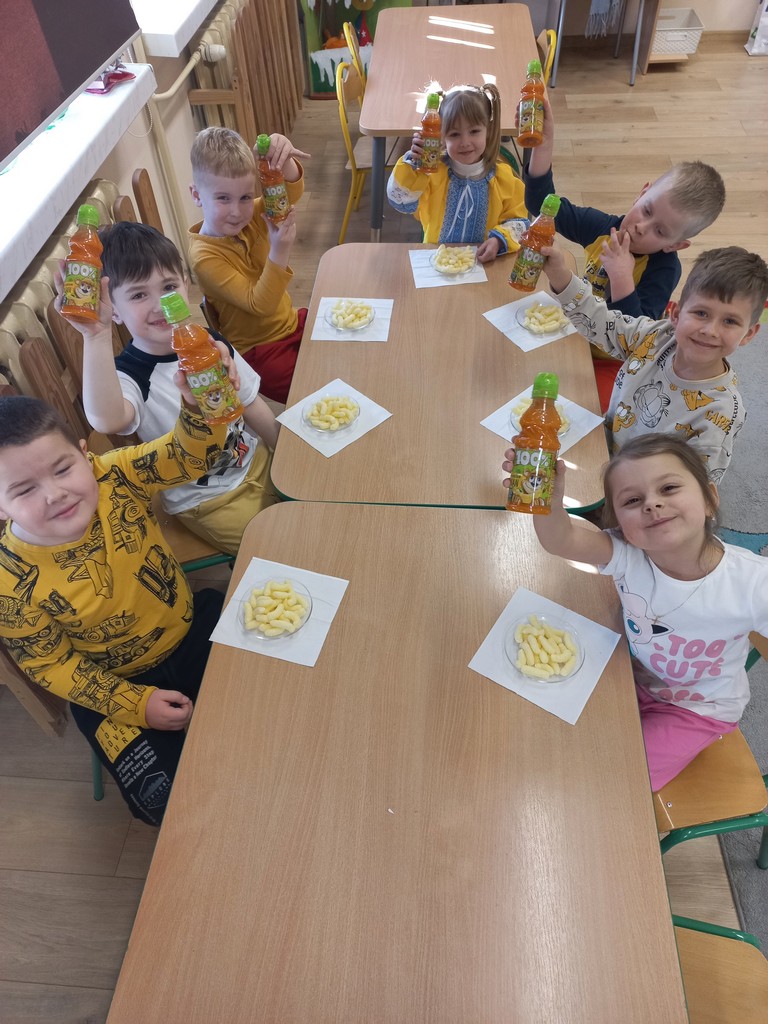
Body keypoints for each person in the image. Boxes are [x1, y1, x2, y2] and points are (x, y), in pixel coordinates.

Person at [0, 377, 230, 825]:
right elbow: (50, 665)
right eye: (24, 490)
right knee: (166, 805)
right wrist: (134, 705)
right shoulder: (8, 581)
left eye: (63, 469)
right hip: (111, 685)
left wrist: (200, 402)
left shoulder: (114, 474)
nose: (55, 494)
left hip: (190, 630)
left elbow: (192, 454)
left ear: (85, 455)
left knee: (274, 700)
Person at [503, 434, 768, 792]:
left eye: (669, 488)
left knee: (617, 782)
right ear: (620, 525)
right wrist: (547, 502)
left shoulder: (753, 583)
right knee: (538, 731)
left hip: (698, 710)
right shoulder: (628, 554)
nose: (652, 504)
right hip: (633, 675)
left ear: (709, 500)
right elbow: (561, 540)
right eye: (632, 500)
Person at [79, 221, 280, 556]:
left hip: (255, 459)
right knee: (281, 549)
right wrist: (95, 335)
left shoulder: (210, 343)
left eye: (169, 286)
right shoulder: (130, 375)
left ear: (186, 284)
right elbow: (107, 420)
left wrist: (284, 451)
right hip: (207, 499)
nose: (160, 304)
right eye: (139, 294)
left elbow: (250, 402)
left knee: (315, 506)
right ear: (113, 310)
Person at [525, 99, 726, 408]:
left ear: (675, 245)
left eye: (661, 231)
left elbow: (636, 340)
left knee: (590, 411)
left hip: (615, 361)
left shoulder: (664, 269)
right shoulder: (605, 227)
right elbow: (542, 205)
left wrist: (621, 276)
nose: (642, 227)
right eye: (646, 210)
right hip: (575, 331)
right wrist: (544, 142)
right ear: (642, 193)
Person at [540, 244, 768, 483]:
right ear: (676, 315)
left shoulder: (721, 414)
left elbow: (693, 490)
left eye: (730, 321)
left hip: (640, 490)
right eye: (701, 313)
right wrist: (559, 274)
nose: (710, 330)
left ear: (749, 334)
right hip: (601, 446)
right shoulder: (656, 336)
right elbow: (601, 323)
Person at [188, 126, 310, 404]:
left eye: (245, 197)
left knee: (344, 343)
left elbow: (291, 192)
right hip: (260, 352)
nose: (237, 211)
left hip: (292, 322)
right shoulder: (204, 257)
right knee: (317, 382)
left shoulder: (251, 215)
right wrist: (280, 250)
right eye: (223, 198)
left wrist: (281, 159)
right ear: (196, 196)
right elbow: (260, 305)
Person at [386, 84, 528, 261]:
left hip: (483, 264)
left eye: (474, 131)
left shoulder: (503, 179)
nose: (465, 142)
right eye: (454, 134)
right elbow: (400, 201)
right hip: (436, 262)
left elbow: (519, 222)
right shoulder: (430, 173)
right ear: (441, 135)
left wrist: (499, 240)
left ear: (489, 130)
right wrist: (414, 164)